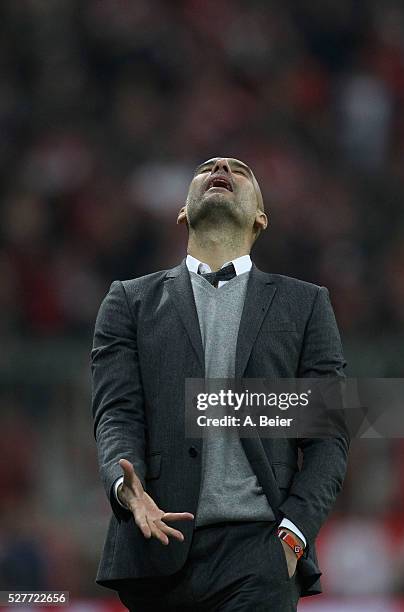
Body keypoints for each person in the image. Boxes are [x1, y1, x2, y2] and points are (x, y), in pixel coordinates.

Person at [91, 157, 349, 611]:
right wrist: (125, 487)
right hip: (159, 546)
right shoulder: (127, 301)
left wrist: (294, 536)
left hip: (260, 551)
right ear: (183, 213)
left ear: (260, 218)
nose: (222, 167)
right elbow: (116, 414)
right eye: (207, 166)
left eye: (240, 170)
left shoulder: (305, 304)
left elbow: (328, 437)